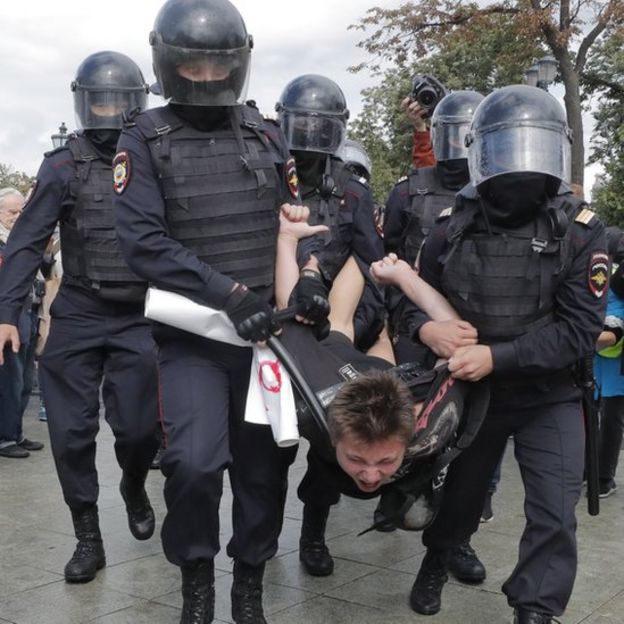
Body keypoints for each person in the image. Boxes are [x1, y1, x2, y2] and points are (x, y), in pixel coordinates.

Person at [111, 2, 330, 623]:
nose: (206, 75)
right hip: (197, 335)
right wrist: (229, 295)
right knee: (193, 462)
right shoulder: (143, 137)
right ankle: (197, 580)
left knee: (264, 471)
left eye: (218, 63)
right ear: (168, 63)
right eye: (193, 63)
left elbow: (295, 222)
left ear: (238, 63)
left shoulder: (265, 132)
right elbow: (143, 243)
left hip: (268, 340)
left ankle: (250, 584)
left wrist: (310, 275)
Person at [408, 85, 608, 624]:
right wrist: (427, 332)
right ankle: (438, 556)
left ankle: (535, 611)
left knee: (553, 510)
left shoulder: (582, 233)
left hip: (552, 393)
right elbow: (407, 304)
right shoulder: (450, 230)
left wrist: (498, 357)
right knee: (461, 498)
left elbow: (579, 330)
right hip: (474, 394)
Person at [0, 51, 160, 583]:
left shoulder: (156, 155)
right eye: (100, 101)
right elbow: (25, 241)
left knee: (139, 430)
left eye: (120, 100)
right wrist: (5, 311)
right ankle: (87, 538)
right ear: (83, 103)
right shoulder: (63, 164)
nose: (111, 111)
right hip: (79, 312)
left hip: (140, 313)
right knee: (70, 433)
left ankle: (134, 482)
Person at [0, 188, 44, 458]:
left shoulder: (21, 240)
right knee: (10, 381)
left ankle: (15, 432)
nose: (17, 217)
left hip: (29, 312)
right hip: (9, 318)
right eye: (11, 212)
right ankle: (5, 437)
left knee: (26, 380)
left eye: (20, 212)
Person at [593, 261, 624, 498]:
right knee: (611, 415)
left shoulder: (604, 278)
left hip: (596, 352)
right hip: (614, 355)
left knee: (590, 410)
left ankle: (588, 472)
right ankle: (603, 478)